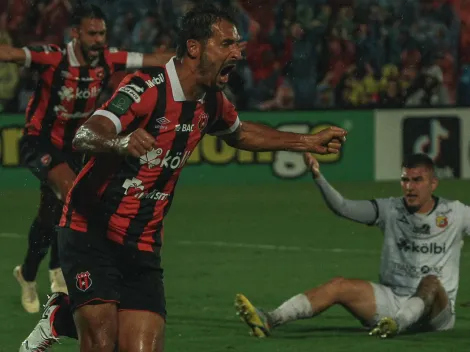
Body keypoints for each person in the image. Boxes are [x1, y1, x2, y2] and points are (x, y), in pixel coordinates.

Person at [18, 4, 347, 352]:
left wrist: (306, 141)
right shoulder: (146, 88)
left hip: (142, 242)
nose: (238, 52)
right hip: (91, 230)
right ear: (195, 47)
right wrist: (122, 141)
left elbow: (241, 134)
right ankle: (62, 318)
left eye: (238, 44)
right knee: (101, 343)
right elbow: (85, 135)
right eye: (227, 44)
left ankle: (61, 317)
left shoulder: (212, 101)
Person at [0, 3, 172, 314]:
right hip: (40, 142)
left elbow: (155, 61)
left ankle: (27, 274)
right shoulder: (53, 57)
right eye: (92, 34)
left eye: (102, 33)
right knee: (73, 196)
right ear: (75, 33)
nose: (99, 39)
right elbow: (10, 54)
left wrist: (196, 59)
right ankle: (60, 273)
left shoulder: (109, 59)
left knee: (49, 214)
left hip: (77, 148)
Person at [235, 152, 467, 339]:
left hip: (436, 313)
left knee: (431, 282)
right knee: (338, 285)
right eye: (405, 179)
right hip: (394, 300)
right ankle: (270, 319)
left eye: (417, 180)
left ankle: (398, 325)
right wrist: (318, 176)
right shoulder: (390, 209)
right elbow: (343, 207)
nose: (409, 187)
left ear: (433, 183)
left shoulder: (456, 213)